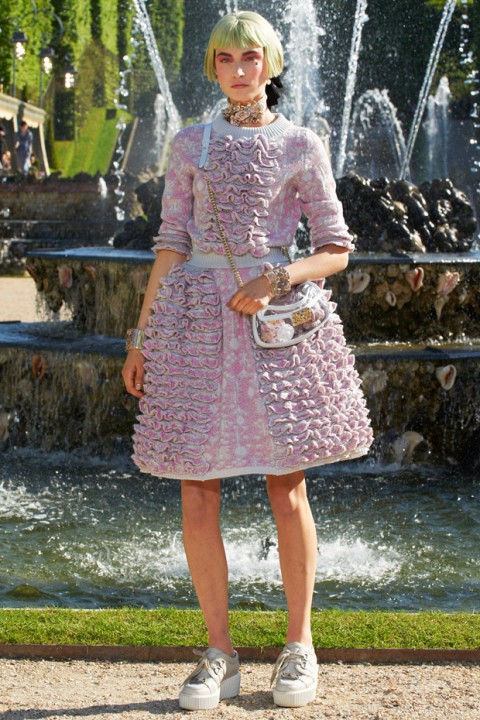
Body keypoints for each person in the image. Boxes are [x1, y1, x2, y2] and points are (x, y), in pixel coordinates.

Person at [122, 10, 373, 711]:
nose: (238, 70)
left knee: (285, 486)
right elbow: (170, 243)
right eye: (226, 59)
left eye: (250, 57)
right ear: (214, 67)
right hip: (196, 324)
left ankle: (299, 645)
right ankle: (220, 654)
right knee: (195, 488)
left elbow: (336, 248)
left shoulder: (301, 143)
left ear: (270, 64)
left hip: (270, 324)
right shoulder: (189, 144)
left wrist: (278, 278)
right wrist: (140, 337)